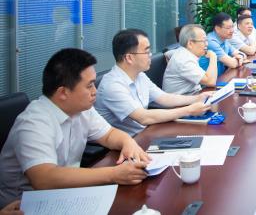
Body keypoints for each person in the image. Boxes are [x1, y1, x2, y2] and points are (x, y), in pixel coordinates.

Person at [0, 49, 149, 207]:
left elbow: (109, 135)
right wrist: (114, 174)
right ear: (63, 92)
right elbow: (44, 179)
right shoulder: (33, 122)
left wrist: (128, 143)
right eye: (89, 86)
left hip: (66, 194)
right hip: (27, 205)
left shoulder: (81, 109)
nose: (95, 91)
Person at [95, 29, 212, 137]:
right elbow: (143, 118)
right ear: (129, 58)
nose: (150, 55)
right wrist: (189, 110)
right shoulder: (112, 86)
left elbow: (164, 98)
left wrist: (197, 98)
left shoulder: (139, 75)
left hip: (146, 132)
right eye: (146, 52)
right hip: (127, 144)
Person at [162, 24, 218, 95]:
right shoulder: (184, 60)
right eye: (204, 40)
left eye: (206, 40)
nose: (206, 44)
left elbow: (166, 54)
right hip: (182, 100)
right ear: (190, 43)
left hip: (194, 94)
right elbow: (211, 82)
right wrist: (213, 57)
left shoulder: (182, 51)